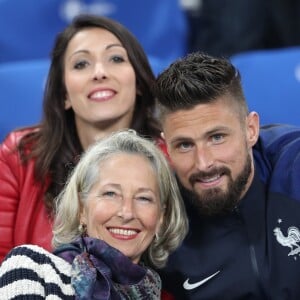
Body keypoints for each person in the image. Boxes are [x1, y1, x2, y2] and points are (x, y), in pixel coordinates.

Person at [0, 14, 168, 263]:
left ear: (139, 84)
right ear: (64, 94)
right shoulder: (20, 154)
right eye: (81, 64)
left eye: (116, 58)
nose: (99, 73)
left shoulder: (171, 158)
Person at [153, 51, 300, 299]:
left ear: (250, 130)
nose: (204, 163)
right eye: (185, 145)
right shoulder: (158, 220)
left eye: (217, 137)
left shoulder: (293, 166)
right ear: (167, 147)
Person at [0, 130, 188, 299]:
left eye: (143, 198)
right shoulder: (33, 269)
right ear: (82, 209)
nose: (127, 212)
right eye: (110, 194)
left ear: (161, 217)